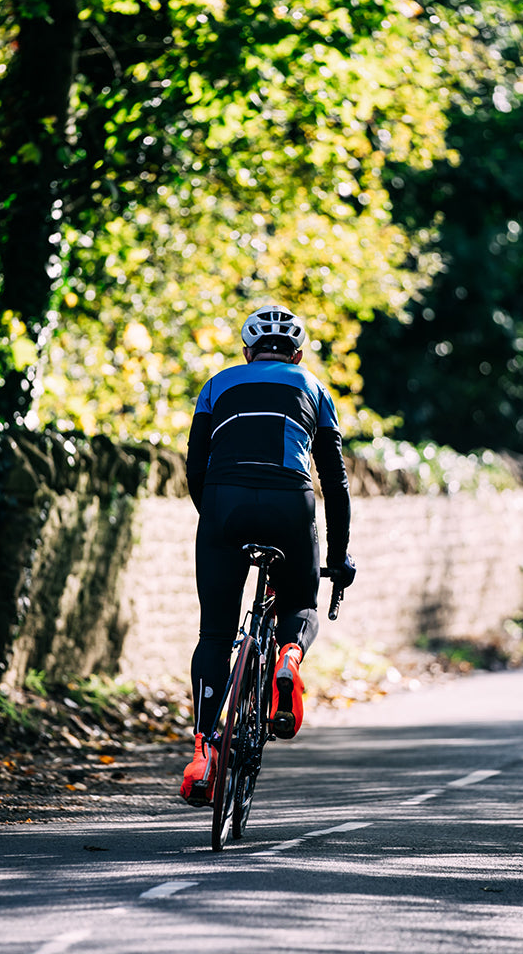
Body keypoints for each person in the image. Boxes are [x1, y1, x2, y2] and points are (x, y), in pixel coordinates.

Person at [179, 304, 356, 806]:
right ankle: (287, 657)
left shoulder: (217, 385)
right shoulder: (314, 388)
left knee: (214, 633)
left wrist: (214, 516)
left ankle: (203, 754)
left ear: (246, 352)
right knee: (300, 606)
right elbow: (336, 484)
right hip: (289, 504)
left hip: (223, 502)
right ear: (297, 353)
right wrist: (339, 559)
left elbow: (195, 465)